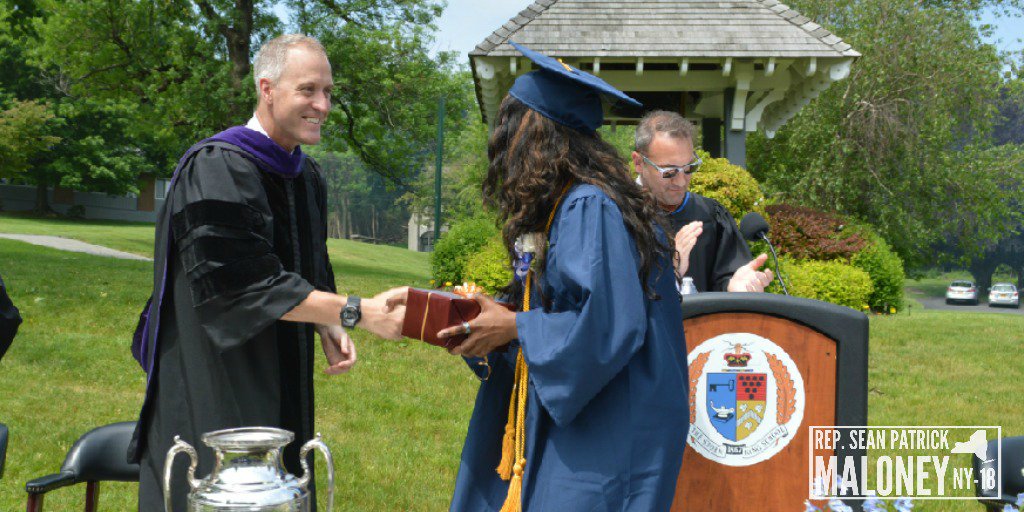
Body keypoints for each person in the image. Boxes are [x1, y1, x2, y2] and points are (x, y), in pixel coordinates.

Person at [406, 42, 690, 511]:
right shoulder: (573, 202)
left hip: (613, 425)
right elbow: (567, 307)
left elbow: (607, 324)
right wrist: (487, 318)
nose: (501, 141)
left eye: (510, 125)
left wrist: (514, 326)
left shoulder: (588, 205)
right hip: (600, 410)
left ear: (537, 136)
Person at [128, 34, 405, 511]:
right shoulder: (217, 167)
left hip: (282, 369)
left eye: (328, 92)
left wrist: (326, 323)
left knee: (279, 483)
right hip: (220, 372)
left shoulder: (306, 175)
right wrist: (356, 311)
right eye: (308, 90)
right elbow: (240, 286)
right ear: (267, 88)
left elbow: (308, 265)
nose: (323, 105)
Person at [632, 110, 773, 293]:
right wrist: (669, 270)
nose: (681, 182)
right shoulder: (619, 215)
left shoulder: (710, 214)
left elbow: (724, 278)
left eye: (689, 168)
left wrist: (732, 287)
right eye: (669, 172)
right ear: (639, 163)